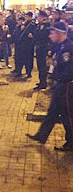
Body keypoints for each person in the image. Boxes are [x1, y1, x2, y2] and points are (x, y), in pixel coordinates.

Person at [26, 22, 73, 151]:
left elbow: (68, 70)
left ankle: (71, 141)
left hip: (66, 85)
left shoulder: (67, 48)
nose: (50, 35)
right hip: (59, 84)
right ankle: (42, 135)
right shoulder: (60, 46)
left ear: (59, 33)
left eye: (52, 33)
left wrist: (58, 78)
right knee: (53, 112)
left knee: (67, 114)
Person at [15, 12, 36, 78]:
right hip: (21, 44)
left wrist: (32, 35)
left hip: (28, 45)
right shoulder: (24, 24)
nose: (26, 18)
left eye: (27, 16)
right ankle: (19, 71)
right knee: (20, 58)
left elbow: (35, 33)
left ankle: (28, 72)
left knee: (28, 60)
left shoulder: (33, 25)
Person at [33, 11, 51, 90]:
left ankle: (43, 83)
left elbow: (41, 36)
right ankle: (41, 81)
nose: (38, 18)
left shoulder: (45, 26)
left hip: (43, 48)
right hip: (39, 48)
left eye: (39, 17)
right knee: (40, 66)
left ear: (43, 17)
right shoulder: (40, 25)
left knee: (42, 66)